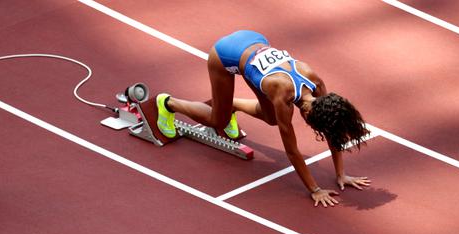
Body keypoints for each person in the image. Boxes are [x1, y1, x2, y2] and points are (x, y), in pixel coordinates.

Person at [155, 30, 370, 207]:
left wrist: (341, 174)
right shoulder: (282, 94)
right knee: (217, 121)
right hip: (225, 54)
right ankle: (167, 103)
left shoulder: (317, 84)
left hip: (253, 39)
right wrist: (315, 189)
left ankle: (230, 107)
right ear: (308, 115)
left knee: (270, 118)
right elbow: (292, 151)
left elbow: (332, 130)